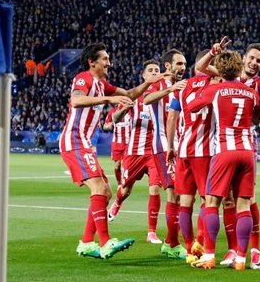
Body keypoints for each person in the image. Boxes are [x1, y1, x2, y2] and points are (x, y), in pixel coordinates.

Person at [59, 43, 168, 260]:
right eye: (105, 59)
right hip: (74, 139)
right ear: (92, 62)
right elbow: (76, 99)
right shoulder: (84, 77)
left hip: (85, 143)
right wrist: (108, 99)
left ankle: (87, 243)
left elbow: (129, 94)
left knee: (107, 192)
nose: (109, 62)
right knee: (99, 188)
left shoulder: (102, 84)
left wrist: (147, 83)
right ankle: (105, 242)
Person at [188, 50, 260, 270]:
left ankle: (209, 255)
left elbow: (191, 107)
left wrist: (204, 92)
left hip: (224, 151)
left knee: (213, 202)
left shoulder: (215, 89)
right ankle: (241, 259)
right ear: (238, 67)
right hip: (247, 152)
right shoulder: (251, 92)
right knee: (244, 205)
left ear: (219, 70)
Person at [108, 51, 188, 260]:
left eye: (184, 64)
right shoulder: (156, 87)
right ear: (168, 66)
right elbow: (147, 98)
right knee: (167, 193)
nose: (182, 67)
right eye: (178, 64)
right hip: (156, 147)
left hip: (176, 146)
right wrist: (170, 87)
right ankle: (172, 243)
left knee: (175, 193)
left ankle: (164, 237)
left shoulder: (182, 87)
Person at [165, 50, 215, 264]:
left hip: (183, 148)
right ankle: (200, 244)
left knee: (185, 202)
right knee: (208, 200)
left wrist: (170, 146)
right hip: (205, 150)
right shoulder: (215, 84)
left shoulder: (182, 87)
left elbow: (171, 118)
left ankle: (188, 249)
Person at [102, 101, 132, 191]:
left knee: (124, 164)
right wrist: (109, 126)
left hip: (128, 143)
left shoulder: (131, 111)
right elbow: (105, 126)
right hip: (117, 143)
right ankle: (119, 183)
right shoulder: (113, 111)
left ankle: (124, 183)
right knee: (117, 165)